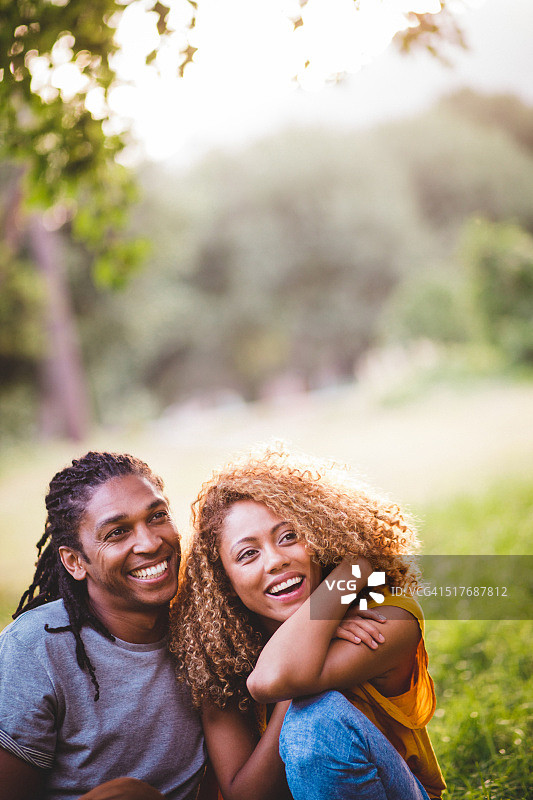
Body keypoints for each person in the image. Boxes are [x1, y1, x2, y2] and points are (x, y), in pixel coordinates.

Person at [171, 446, 446, 800]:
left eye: (289, 536)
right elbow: (245, 795)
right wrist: (302, 665)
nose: (275, 560)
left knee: (316, 720)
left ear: (321, 538)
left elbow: (273, 679)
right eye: (248, 554)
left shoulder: (387, 619)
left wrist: (357, 565)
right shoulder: (220, 663)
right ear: (223, 582)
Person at [0, 451, 206, 800]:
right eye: (117, 532)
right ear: (75, 561)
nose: (150, 542)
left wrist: (335, 583)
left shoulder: (208, 625)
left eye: (157, 516)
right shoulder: (35, 650)